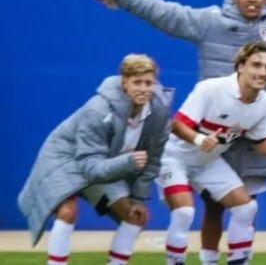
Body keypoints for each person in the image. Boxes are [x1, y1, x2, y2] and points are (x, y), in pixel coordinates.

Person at [92, 0, 266, 264]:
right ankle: (206, 258)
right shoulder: (209, 25)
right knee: (208, 207)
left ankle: (238, 259)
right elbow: (161, 11)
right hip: (198, 138)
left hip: (245, 132)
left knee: (247, 206)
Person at [18, 55, 171, 265]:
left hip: (107, 162)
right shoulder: (98, 109)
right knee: (67, 211)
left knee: (136, 216)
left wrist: (137, 198)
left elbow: (152, 160)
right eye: (137, 82)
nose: (143, 88)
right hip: (67, 158)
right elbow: (89, 167)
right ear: (124, 82)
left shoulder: (159, 114)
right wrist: (127, 162)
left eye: (149, 83)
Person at [158, 42, 266, 265]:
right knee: (184, 212)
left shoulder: (265, 102)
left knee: (246, 207)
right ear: (241, 66)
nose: (262, 72)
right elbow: (176, 124)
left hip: (208, 162)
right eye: (256, 65)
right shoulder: (211, 89)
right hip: (174, 158)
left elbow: (259, 142)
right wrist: (200, 138)